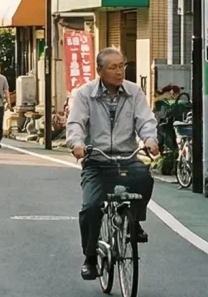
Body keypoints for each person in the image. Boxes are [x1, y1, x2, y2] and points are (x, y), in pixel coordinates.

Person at [66, 47, 159, 281]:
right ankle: (89, 257)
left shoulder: (134, 92)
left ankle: (135, 220)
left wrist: (149, 140)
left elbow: (145, 120)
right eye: (113, 67)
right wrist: (77, 144)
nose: (119, 72)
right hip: (96, 161)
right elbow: (76, 123)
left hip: (126, 157)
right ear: (100, 71)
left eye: (122, 66)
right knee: (91, 208)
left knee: (145, 178)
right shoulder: (84, 94)